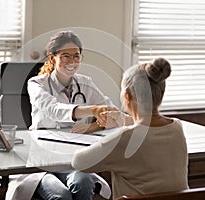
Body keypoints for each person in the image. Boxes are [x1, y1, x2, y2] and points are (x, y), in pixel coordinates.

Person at [6, 30, 115, 200]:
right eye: (65, 56)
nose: (72, 62)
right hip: (41, 162)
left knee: (84, 183)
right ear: (52, 58)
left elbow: (113, 113)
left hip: (72, 159)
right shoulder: (36, 84)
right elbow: (54, 110)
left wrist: (91, 126)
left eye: (76, 56)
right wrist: (92, 110)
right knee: (61, 195)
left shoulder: (85, 83)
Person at [72, 58, 189, 199]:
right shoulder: (177, 127)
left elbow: (79, 162)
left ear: (127, 96)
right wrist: (124, 119)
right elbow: (148, 126)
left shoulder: (123, 138)